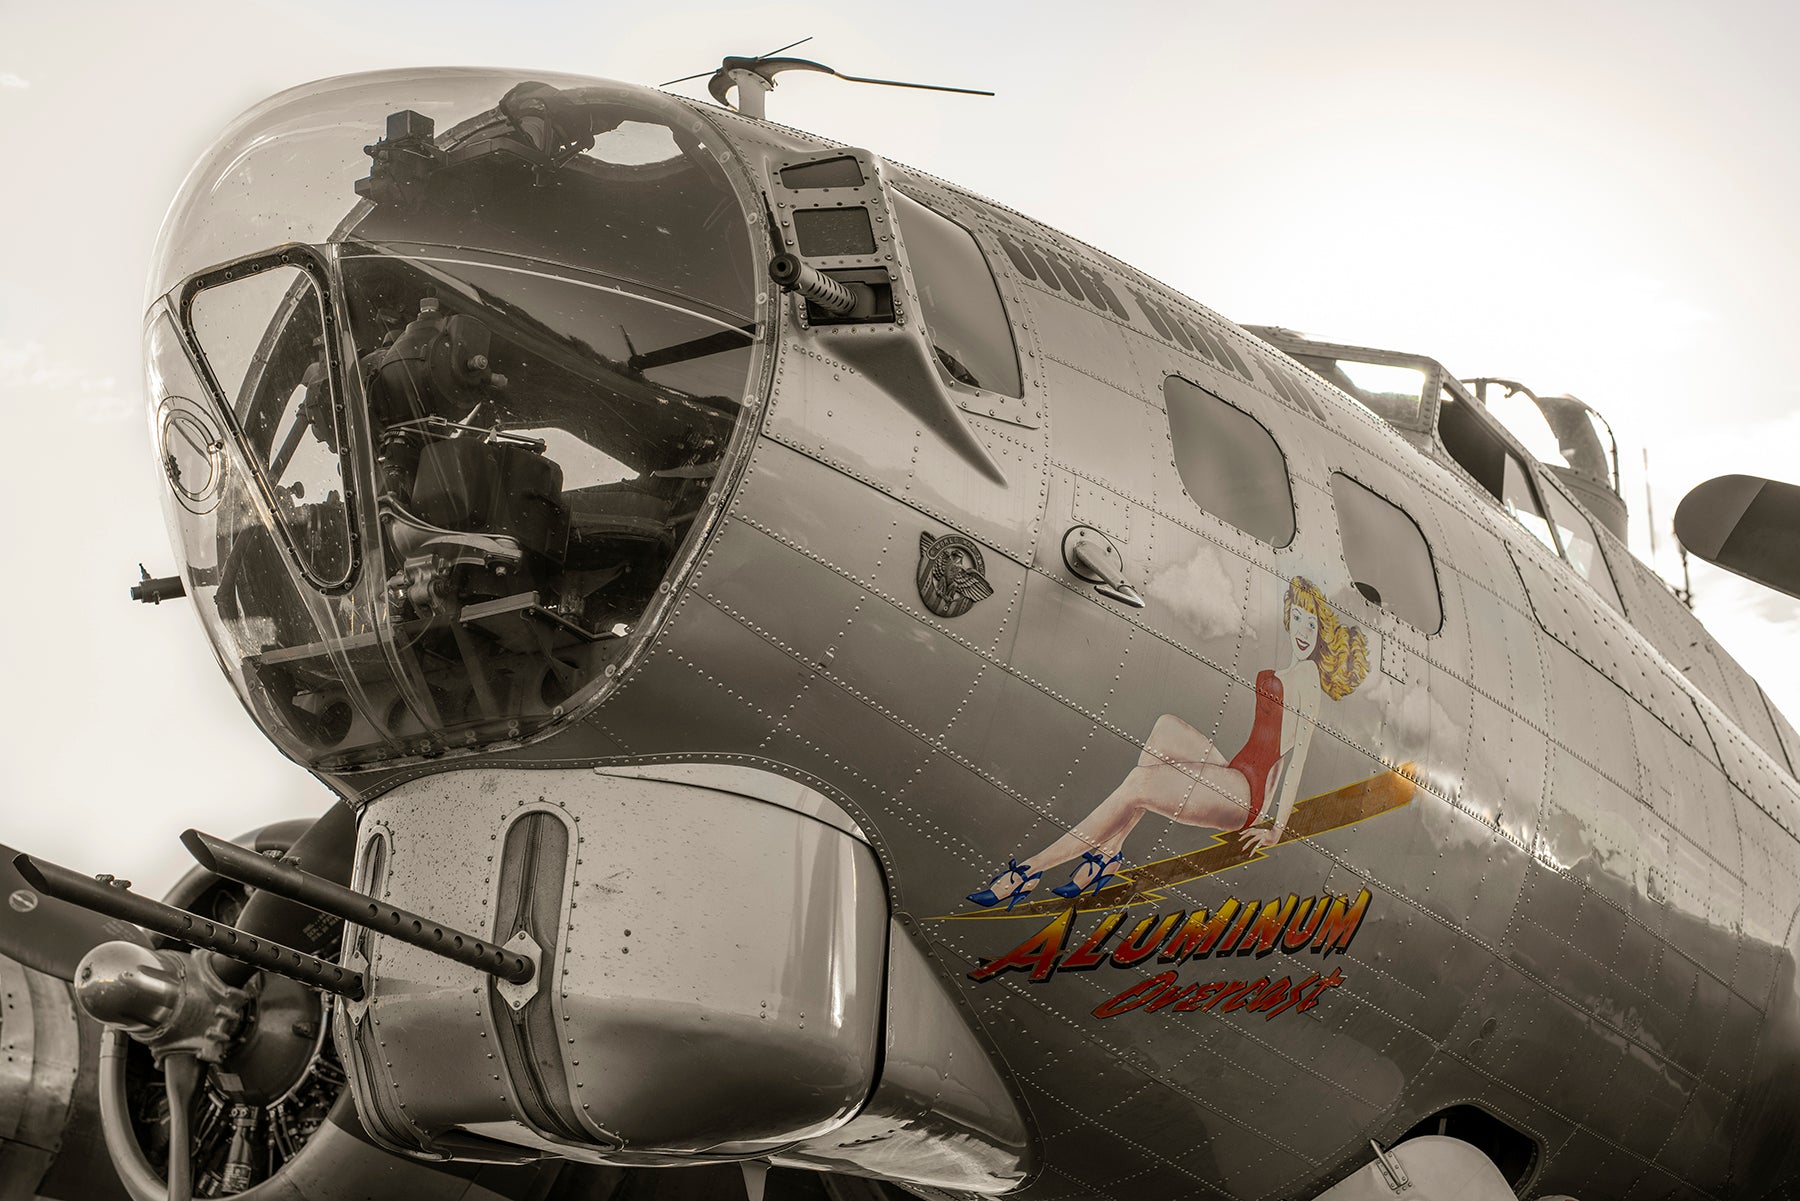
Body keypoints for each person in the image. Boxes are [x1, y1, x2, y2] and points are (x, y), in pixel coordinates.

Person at [968, 576, 1369, 909]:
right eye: (1296, 618)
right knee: (1164, 728)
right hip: (1237, 770)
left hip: (1248, 794)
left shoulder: (1309, 683)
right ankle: (1110, 851)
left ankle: (1031, 870)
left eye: (1311, 625)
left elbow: (1294, 759)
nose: (1301, 631)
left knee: (1140, 786)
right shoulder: (1290, 669)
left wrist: (1275, 828)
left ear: (1321, 634)